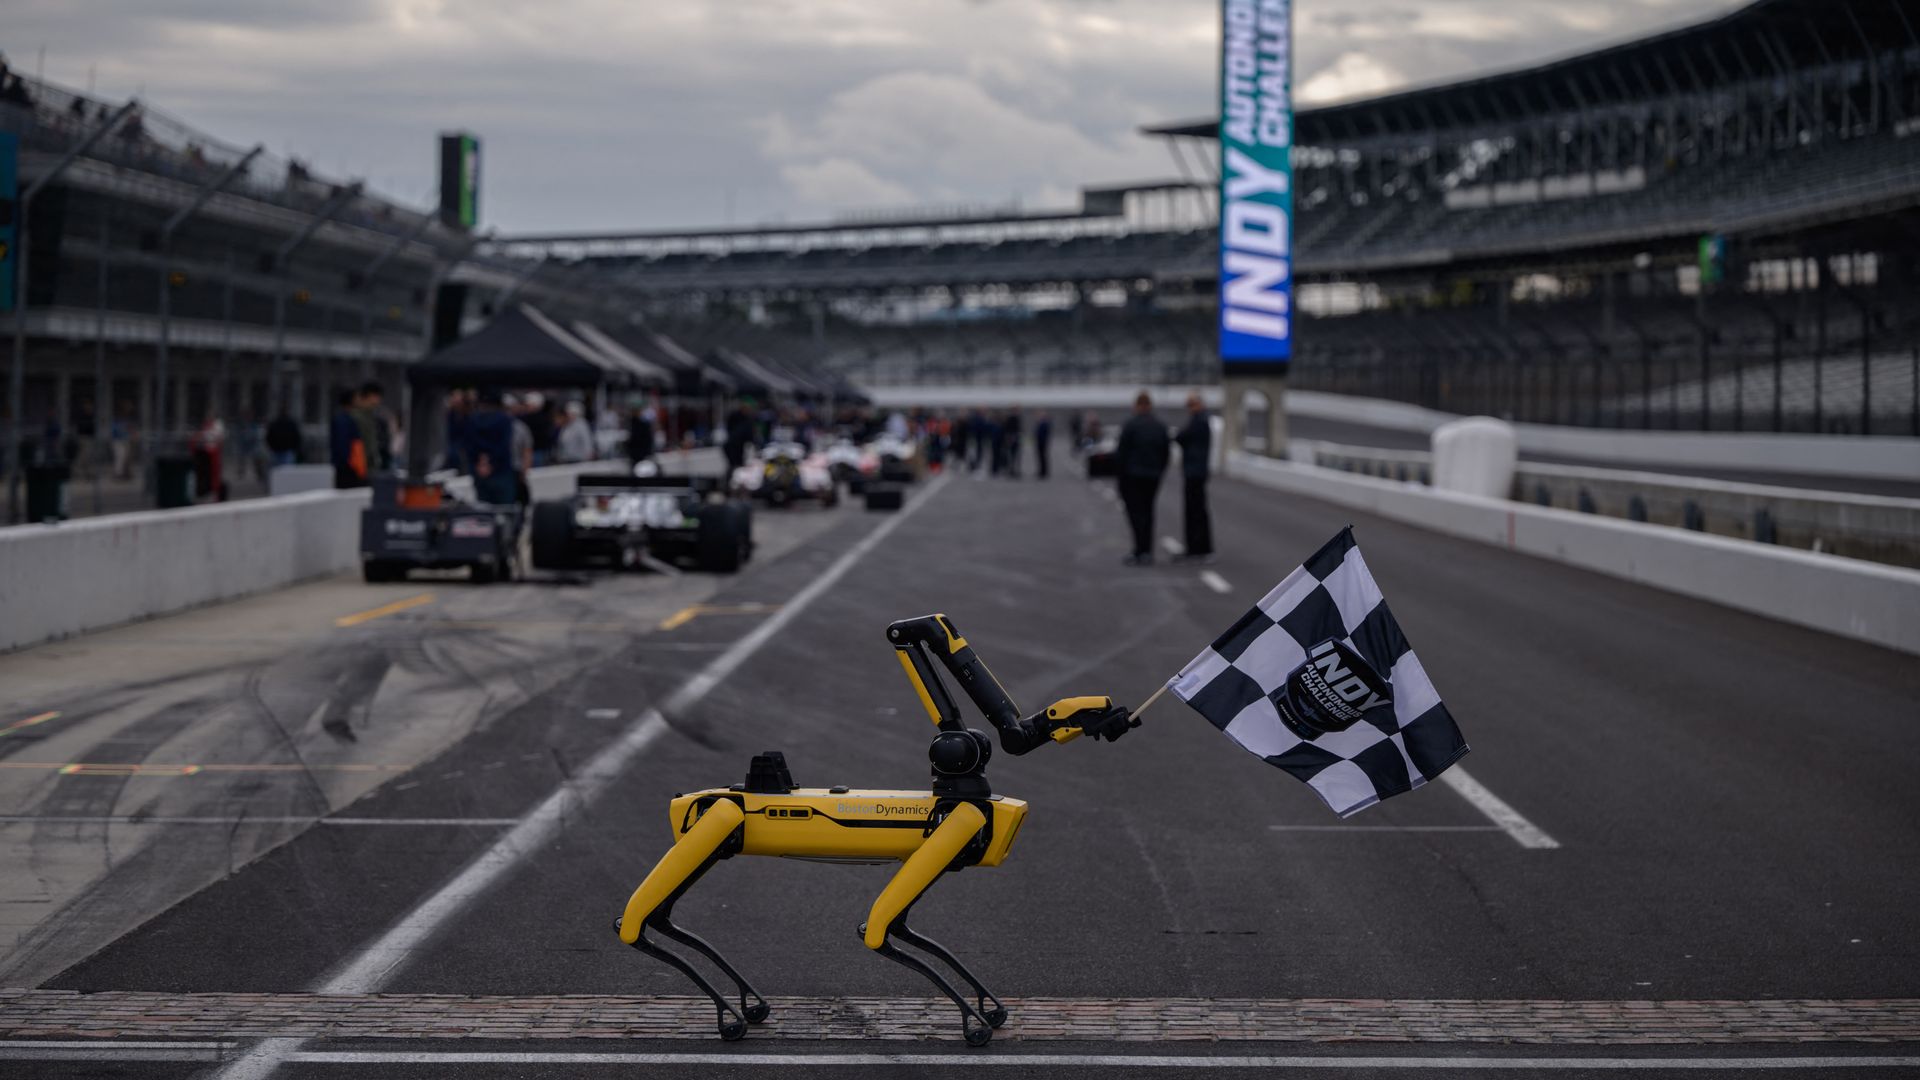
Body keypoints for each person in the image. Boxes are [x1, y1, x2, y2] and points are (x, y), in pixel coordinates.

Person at [1114, 390, 1170, 567]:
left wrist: (1121, 478)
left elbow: (1121, 454)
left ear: (1137, 405)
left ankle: (1140, 550)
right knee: (1149, 512)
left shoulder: (1130, 425)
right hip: (1153, 476)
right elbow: (1165, 453)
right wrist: (1159, 471)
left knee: (1136, 514)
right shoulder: (1160, 426)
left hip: (1133, 476)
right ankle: (1147, 551)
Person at [1174, 393, 1214, 562]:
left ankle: (1196, 549)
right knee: (1197, 511)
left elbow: (1181, 437)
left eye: (1192, 405)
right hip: (1197, 471)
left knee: (1194, 512)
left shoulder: (1198, 422)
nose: (1190, 409)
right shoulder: (1201, 420)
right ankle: (1199, 548)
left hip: (1194, 472)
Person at [466, 388, 518, 506]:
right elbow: (504, 445)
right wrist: (491, 462)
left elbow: (469, 445)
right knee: (504, 510)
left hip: (479, 471)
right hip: (500, 471)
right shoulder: (505, 420)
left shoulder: (472, 420)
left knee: (484, 511)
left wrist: (480, 462)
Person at [329, 389, 364, 489]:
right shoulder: (344, 420)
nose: (358, 400)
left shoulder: (345, 418)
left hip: (346, 464)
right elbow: (342, 444)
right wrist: (349, 462)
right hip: (347, 466)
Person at [1002, 408, 1023, 479]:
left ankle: (1013, 470)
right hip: (1012, 440)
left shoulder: (1016, 418)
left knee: (1015, 456)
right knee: (1012, 456)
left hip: (1014, 440)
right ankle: (1011, 470)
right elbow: (1009, 430)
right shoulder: (1012, 419)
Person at [1032, 410, 1052, 480]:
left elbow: (1044, 434)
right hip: (1040, 442)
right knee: (1041, 457)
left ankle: (1043, 472)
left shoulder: (1045, 423)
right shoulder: (1041, 423)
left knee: (1043, 457)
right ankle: (1042, 471)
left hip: (1042, 443)